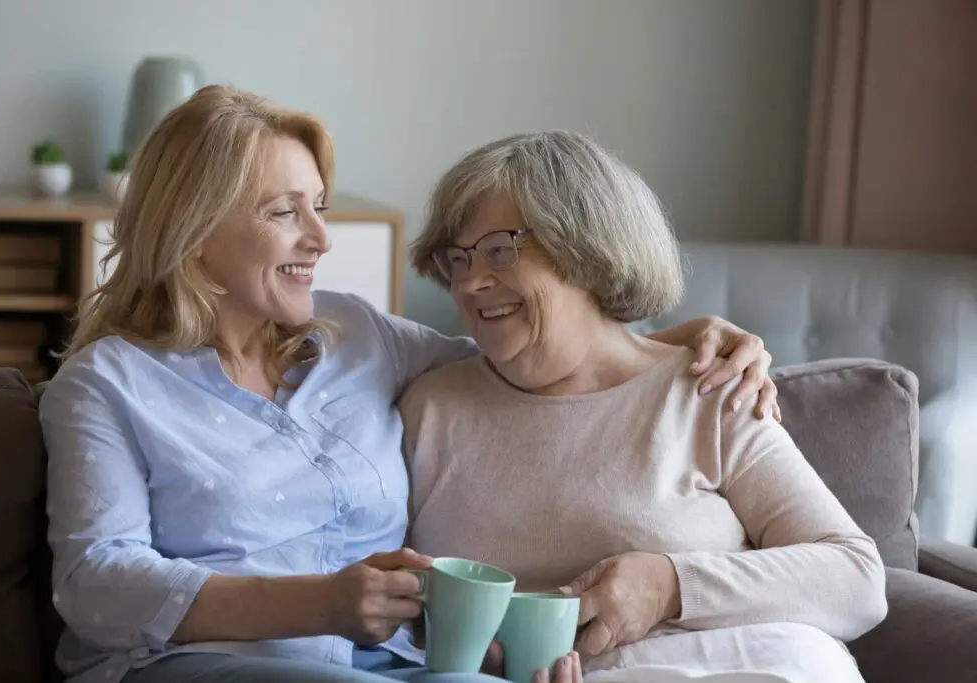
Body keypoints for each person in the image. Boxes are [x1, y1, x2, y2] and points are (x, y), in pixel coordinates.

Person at [39, 85, 779, 683]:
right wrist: (320, 603)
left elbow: (533, 349)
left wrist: (683, 339)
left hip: (391, 663)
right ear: (194, 232)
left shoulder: (359, 334)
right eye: (284, 212)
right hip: (193, 664)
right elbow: (94, 582)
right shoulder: (104, 386)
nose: (321, 239)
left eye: (319, 207)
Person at [399, 131, 889, 683]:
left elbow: (856, 578)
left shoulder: (709, 387)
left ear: (585, 250)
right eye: (458, 259)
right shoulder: (428, 408)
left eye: (499, 250)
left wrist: (669, 586)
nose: (471, 282)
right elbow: (388, 601)